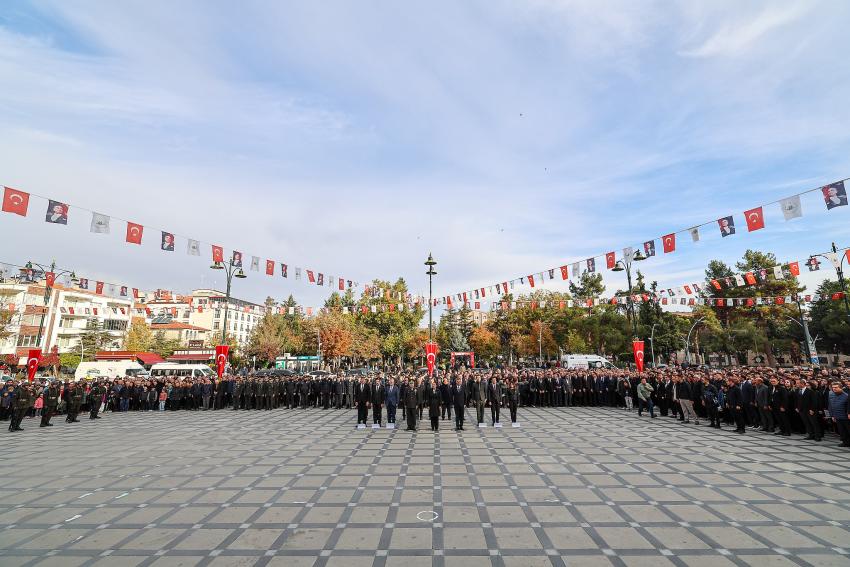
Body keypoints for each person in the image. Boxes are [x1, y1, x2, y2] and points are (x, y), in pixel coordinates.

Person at [827, 381, 850, 447]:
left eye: (836, 387)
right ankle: (845, 442)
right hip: (837, 416)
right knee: (842, 431)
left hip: (846, 417)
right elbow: (831, 406)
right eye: (833, 387)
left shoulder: (846, 396)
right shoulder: (833, 395)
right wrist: (833, 415)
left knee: (848, 430)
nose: (834, 389)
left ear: (841, 388)